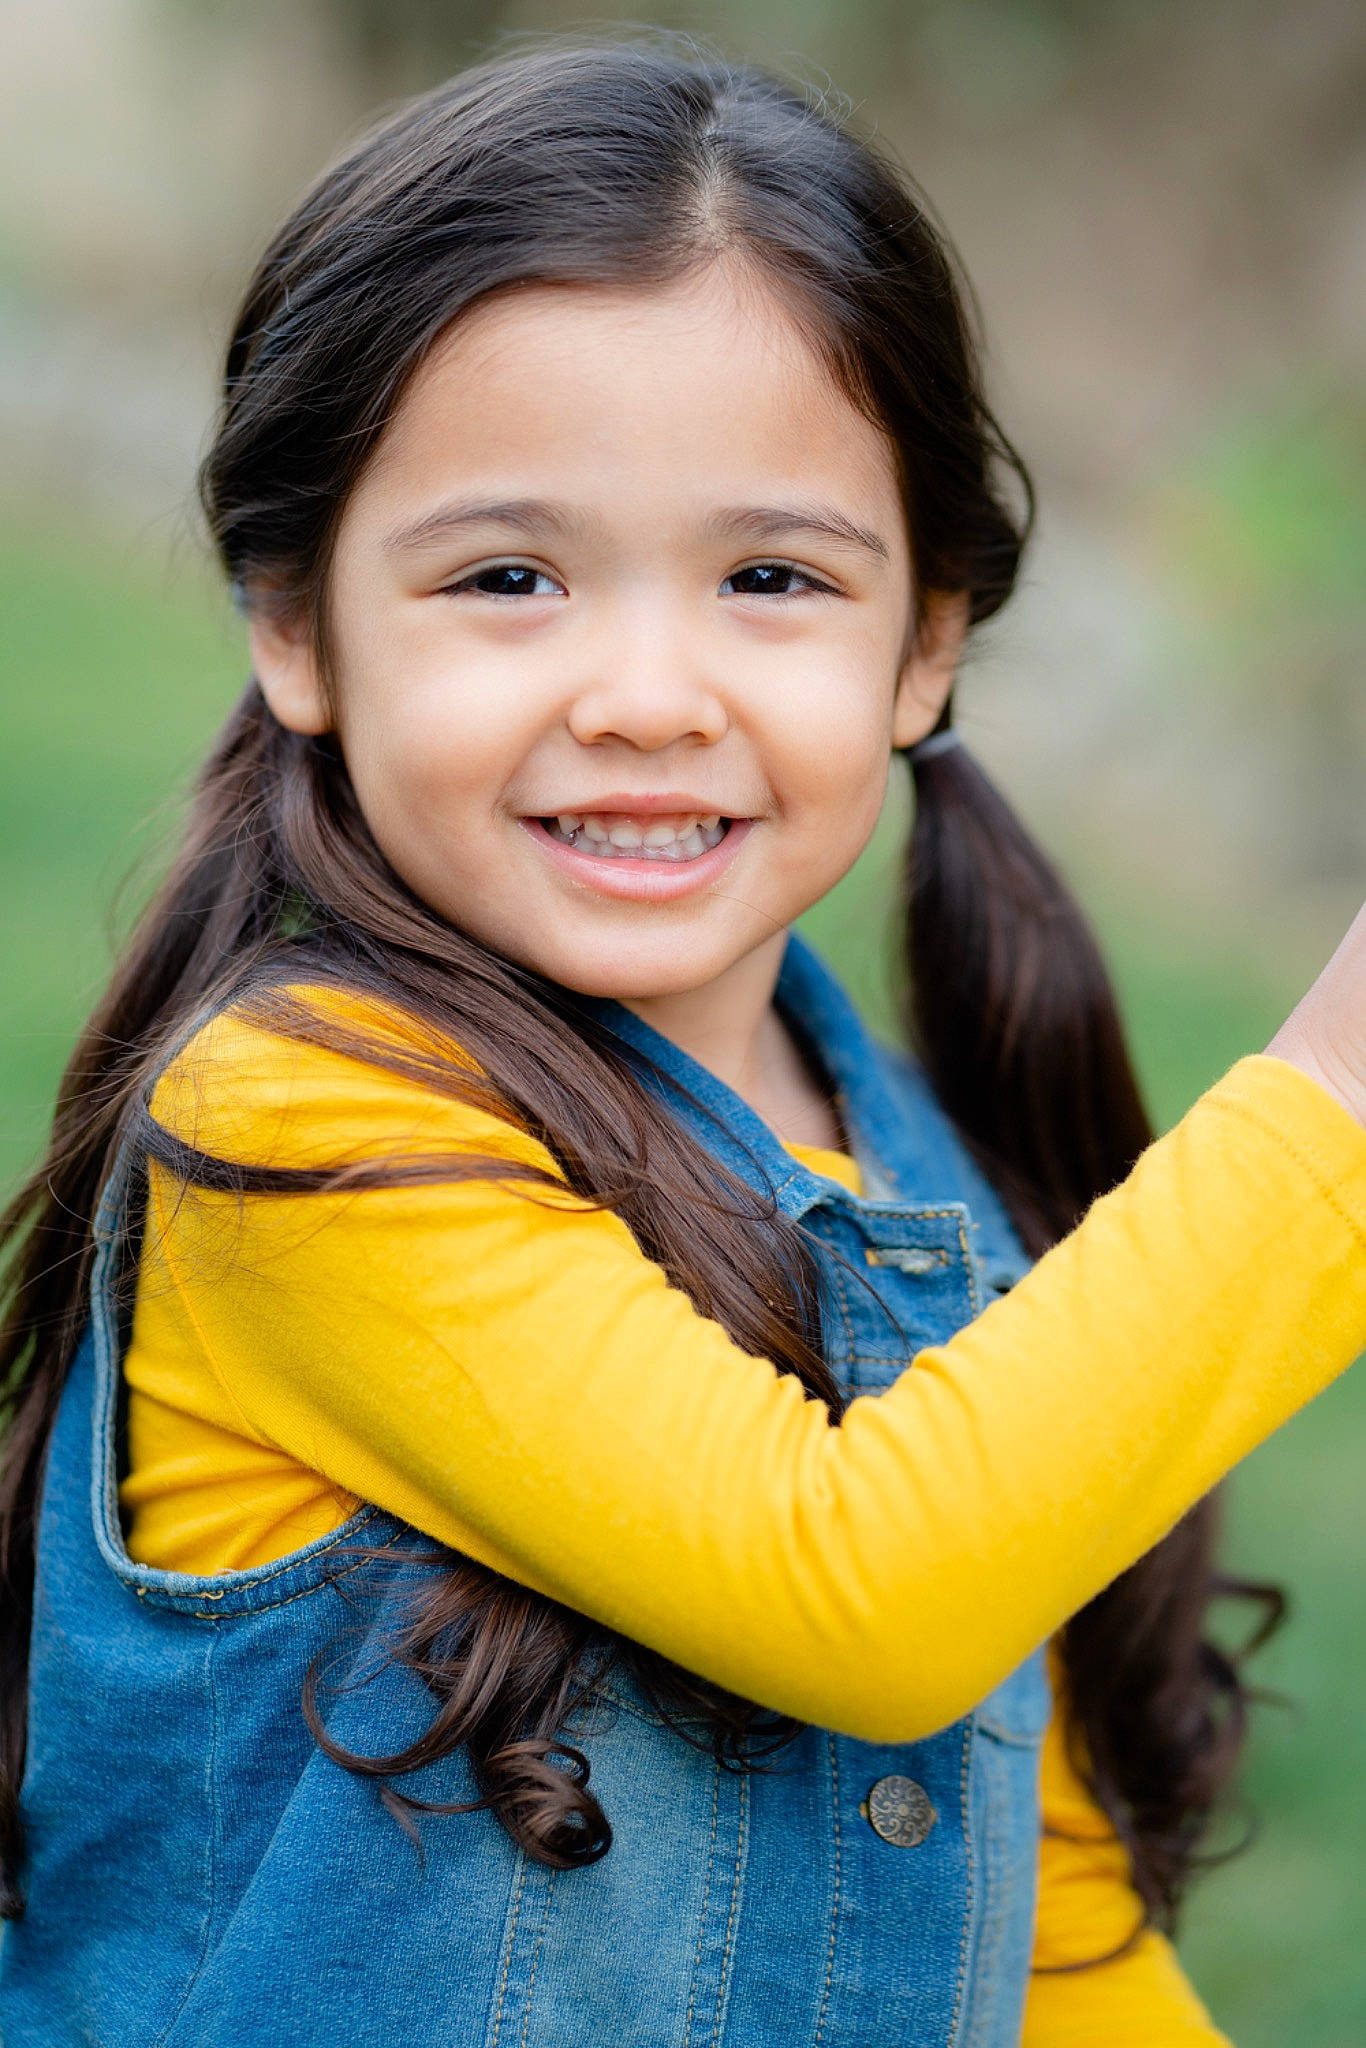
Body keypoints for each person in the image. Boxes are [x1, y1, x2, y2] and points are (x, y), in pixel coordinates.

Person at [1, 38, 1364, 2048]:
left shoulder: (909, 1173)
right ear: (293, 622)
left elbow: (1039, 1916)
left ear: (923, 644)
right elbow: (862, 1588)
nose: (647, 691)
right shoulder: (298, 1133)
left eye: (767, 578)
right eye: (508, 576)